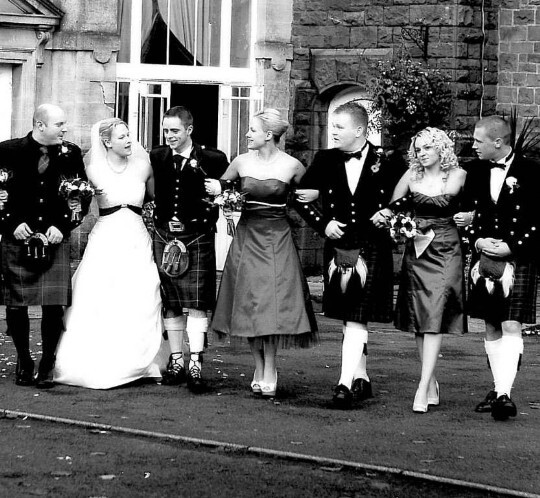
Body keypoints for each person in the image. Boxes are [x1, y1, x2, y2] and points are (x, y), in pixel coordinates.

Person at [295, 101, 404, 409]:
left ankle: (344, 384)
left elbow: (410, 194)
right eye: (332, 127)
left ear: (359, 130)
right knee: (350, 317)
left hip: (372, 246)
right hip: (339, 247)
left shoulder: (389, 160)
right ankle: (361, 378)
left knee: (356, 317)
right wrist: (323, 223)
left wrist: (389, 211)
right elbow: (300, 198)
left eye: (340, 128)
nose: (334, 134)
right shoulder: (325, 159)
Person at [206, 109, 318, 397]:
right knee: (249, 304)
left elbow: (308, 200)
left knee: (272, 305)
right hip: (246, 238)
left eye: (252, 130)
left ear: (269, 135)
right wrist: (219, 191)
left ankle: (271, 367)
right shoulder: (240, 162)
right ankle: (258, 366)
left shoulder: (292, 166)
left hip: (277, 239)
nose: (246, 134)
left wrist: (318, 200)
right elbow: (219, 191)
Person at [53, 118, 165, 389]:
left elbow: (153, 198)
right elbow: (77, 203)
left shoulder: (143, 167)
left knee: (143, 291)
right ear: (106, 142)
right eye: (122, 137)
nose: (129, 141)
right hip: (106, 236)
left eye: (129, 135)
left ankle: (146, 361)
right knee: (101, 293)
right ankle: (99, 358)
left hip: (137, 236)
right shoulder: (92, 171)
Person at [376, 127, 468, 413]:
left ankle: (422, 384)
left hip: (446, 248)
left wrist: (471, 217)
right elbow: (394, 206)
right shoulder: (411, 176)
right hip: (418, 248)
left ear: (441, 148)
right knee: (420, 316)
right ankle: (430, 381)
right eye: (418, 149)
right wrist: (393, 221)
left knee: (436, 313)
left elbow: (474, 206)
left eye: (427, 148)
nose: (422, 153)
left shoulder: (458, 175)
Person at [0, 104, 87, 389]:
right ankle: (24, 362)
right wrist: (9, 223)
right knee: (16, 305)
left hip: (54, 239)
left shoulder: (70, 154)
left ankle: (47, 363)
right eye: (59, 124)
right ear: (40, 126)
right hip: (17, 238)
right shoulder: (7, 151)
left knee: (53, 306)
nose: (64, 129)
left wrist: (63, 226)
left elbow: (81, 196)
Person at [465, 115, 538, 421]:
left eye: (477, 141)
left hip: (517, 256)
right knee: (492, 323)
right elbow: (465, 213)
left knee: (511, 324)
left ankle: (504, 395)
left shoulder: (532, 172)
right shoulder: (475, 170)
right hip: (485, 255)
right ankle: (498, 389)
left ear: (497, 142)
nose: (473, 145)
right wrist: (477, 240)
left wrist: (513, 245)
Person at [151, 106, 229, 393]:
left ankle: (195, 363)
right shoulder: (157, 156)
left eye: (174, 131)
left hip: (197, 236)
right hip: (164, 235)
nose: (168, 136)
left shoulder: (213, 158)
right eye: (165, 130)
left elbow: (230, 191)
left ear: (189, 130)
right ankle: (176, 360)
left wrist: (221, 188)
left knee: (197, 302)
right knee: (171, 301)